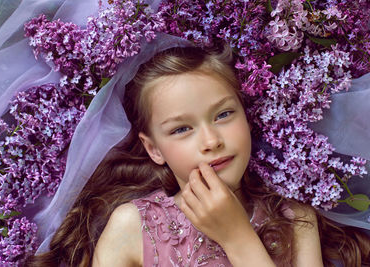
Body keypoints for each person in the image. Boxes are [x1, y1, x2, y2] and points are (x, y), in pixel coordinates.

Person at [24, 41, 370, 267]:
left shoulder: (296, 218)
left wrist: (238, 237)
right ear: (153, 148)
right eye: (181, 129)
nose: (210, 140)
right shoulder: (133, 226)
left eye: (223, 115)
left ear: (246, 115)